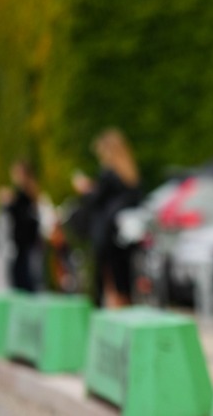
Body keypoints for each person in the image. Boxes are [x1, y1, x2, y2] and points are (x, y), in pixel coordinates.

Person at [73, 128, 142, 308]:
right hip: (124, 235)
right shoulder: (130, 174)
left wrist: (85, 190)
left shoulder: (108, 174)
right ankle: (127, 310)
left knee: (106, 279)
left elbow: (96, 200)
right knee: (124, 279)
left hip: (106, 233)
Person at [0, 160, 42, 292]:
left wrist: (8, 203)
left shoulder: (24, 195)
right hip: (25, 241)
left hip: (24, 241)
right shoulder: (28, 193)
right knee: (23, 273)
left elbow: (20, 214)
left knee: (22, 275)